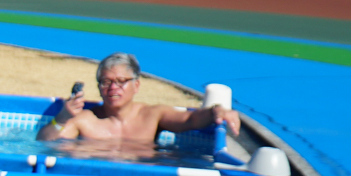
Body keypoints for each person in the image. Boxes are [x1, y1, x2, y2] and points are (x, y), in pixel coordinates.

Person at [38, 52, 241, 145]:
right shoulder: (85, 120)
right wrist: (62, 118)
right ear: (99, 87)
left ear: (136, 85)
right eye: (106, 82)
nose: (113, 88)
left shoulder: (152, 115)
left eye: (120, 81)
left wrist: (217, 111)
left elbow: (191, 120)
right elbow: (43, 142)